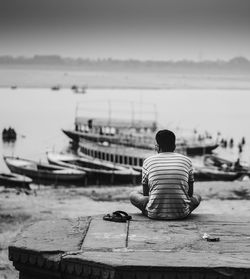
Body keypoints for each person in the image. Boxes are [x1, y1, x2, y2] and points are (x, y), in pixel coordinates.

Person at [130, 129, 201, 220]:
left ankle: (153, 209)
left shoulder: (148, 161)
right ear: (174, 146)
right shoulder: (187, 161)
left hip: (154, 214)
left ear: (157, 146)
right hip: (182, 214)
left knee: (133, 194)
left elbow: (146, 194)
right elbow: (190, 193)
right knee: (197, 196)